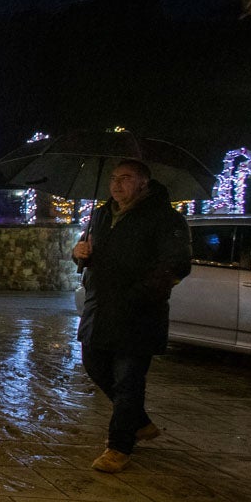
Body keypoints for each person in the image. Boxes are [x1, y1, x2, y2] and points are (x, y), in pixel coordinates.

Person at [72, 159, 192, 473]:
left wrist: (140, 293)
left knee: (127, 381)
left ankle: (119, 446)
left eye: (125, 178)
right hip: (99, 309)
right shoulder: (100, 214)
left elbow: (176, 265)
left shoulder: (165, 219)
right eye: (113, 178)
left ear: (143, 183)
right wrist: (79, 253)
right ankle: (138, 421)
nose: (116, 184)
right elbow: (88, 255)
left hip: (138, 313)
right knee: (95, 366)